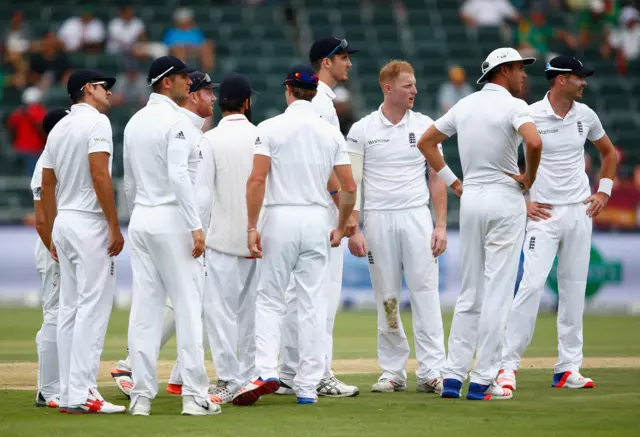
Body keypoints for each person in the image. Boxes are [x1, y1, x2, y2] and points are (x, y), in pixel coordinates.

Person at [416, 47, 543, 401]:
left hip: (471, 199)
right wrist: (529, 178)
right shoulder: (517, 106)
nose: (524, 75)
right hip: (505, 196)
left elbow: (426, 143)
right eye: (520, 68)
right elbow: (534, 141)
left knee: (470, 291)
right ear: (503, 71)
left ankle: (453, 375)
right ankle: (483, 379)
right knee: (498, 292)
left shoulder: (465, 104)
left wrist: (454, 182)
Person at [233, 65, 357, 406]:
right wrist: (341, 224)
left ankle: (267, 370)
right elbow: (348, 186)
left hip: (280, 216)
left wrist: (251, 227)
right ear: (315, 92)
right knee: (312, 303)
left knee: (271, 299)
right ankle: (306, 385)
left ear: (288, 91)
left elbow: (257, 180)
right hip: (317, 218)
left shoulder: (270, 127)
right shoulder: (330, 133)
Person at [497, 56, 617, 391]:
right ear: (561, 80)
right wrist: (523, 201)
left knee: (574, 290)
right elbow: (502, 159)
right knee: (532, 286)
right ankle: (507, 366)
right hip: (544, 215)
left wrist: (603, 192)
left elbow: (609, 154)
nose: (585, 83)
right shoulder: (529, 114)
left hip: (580, 212)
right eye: (580, 77)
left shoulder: (586, 116)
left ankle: (567, 368)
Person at [110, 70, 217, 399]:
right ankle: (195, 395)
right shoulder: (178, 121)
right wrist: (195, 225)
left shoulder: (135, 121)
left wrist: (134, 215)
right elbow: (179, 176)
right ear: (167, 81)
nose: (190, 83)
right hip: (172, 218)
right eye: (185, 78)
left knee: (145, 308)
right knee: (188, 305)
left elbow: (128, 181)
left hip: (142, 216)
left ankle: (141, 396)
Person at [345, 60, 448, 394]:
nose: (414, 91)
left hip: (417, 217)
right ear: (388, 88)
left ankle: (433, 370)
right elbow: (354, 181)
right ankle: (393, 371)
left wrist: (441, 225)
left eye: (415, 85)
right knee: (387, 298)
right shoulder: (362, 129)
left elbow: (437, 177)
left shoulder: (427, 126)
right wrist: (354, 227)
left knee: (425, 294)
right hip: (378, 220)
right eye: (408, 85)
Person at [277, 36, 360, 399]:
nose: (349, 64)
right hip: (322, 212)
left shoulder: (316, 101)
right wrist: (346, 212)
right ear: (325, 62)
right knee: (319, 298)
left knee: (298, 297)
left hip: (301, 208)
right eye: (343, 57)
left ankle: (289, 372)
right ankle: (318, 372)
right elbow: (329, 166)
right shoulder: (322, 104)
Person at [40, 69, 125, 414]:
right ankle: (85, 391)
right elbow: (99, 173)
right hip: (89, 223)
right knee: (94, 307)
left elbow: (47, 184)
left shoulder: (59, 127)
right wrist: (114, 223)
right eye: (105, 86)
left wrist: (52, 231)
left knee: (70, 309)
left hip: (65, 221)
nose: (108, 92)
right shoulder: (97, 123)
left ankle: (69, 391)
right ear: (88, 90)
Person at [196, 73, 259, 404]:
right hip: (256, 239)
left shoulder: (210, 140)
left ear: (221, 104)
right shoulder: (262, 136)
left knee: (219, 312)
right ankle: (249, 377)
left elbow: (202, 195)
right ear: (247, 103)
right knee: (251, 313)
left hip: (220, 240)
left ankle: (228, 379)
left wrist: (198, 233)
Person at [31, 108, 68, 409]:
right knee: (54, 313)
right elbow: (42, 220)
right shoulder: (46, 162)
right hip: (51, 247)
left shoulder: (54, 159)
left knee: (61, 313)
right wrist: (56, 250)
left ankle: (58, 384)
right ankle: (48, 389)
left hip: (56, 245)